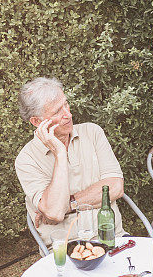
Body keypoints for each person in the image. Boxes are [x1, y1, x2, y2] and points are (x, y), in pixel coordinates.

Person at [15, 77, 126, 246]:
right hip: (67, 249)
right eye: (57, 111)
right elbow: (54, 212)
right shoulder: (26, 159)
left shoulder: (92, 132)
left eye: (66, 104)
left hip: (113, 239)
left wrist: (68, 205)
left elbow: (115, 187)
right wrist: (59, 153)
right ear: (37, 122)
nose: (68, 114)